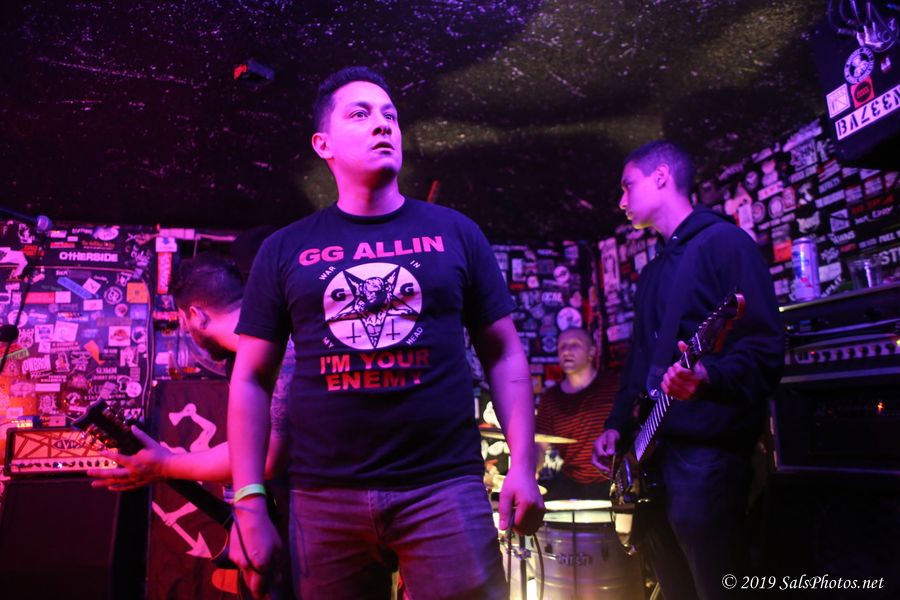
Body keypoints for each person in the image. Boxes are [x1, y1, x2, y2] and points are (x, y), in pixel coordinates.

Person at [227, 66, 545, 600]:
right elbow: (250, 380)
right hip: (323, 497)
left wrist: (523, 467)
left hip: (444, 487)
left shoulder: (456, 232)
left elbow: (505, 353)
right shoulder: (284, 249)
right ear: (323, 145)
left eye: (390, 116)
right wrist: (249, 502)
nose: (383, 125)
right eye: (361, 114)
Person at [592, 140, 784, 600]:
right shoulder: (653, 272)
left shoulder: (726, 244)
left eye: (627, 186)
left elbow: (766, 348)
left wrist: (708, 379)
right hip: (654, 458)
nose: (621, 201)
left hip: (708, 458)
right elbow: (638, 363)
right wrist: (616, 425)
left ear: (661, 176)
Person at [88, 252, 291, 490]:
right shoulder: (249, 353)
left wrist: (166, 465)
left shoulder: (281, 352)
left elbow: (265, 458)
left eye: (184, 320)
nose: (185, 329)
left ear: (197, 316)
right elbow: (250, 444)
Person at [535, 327, 614, 500]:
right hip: (571, 482)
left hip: (612, 481)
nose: (566, 351)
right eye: (561, 346)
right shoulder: (551, 398)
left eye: (574, 345)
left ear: (591, 351)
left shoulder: (614, 385)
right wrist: (529, 469)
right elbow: (539, 446)